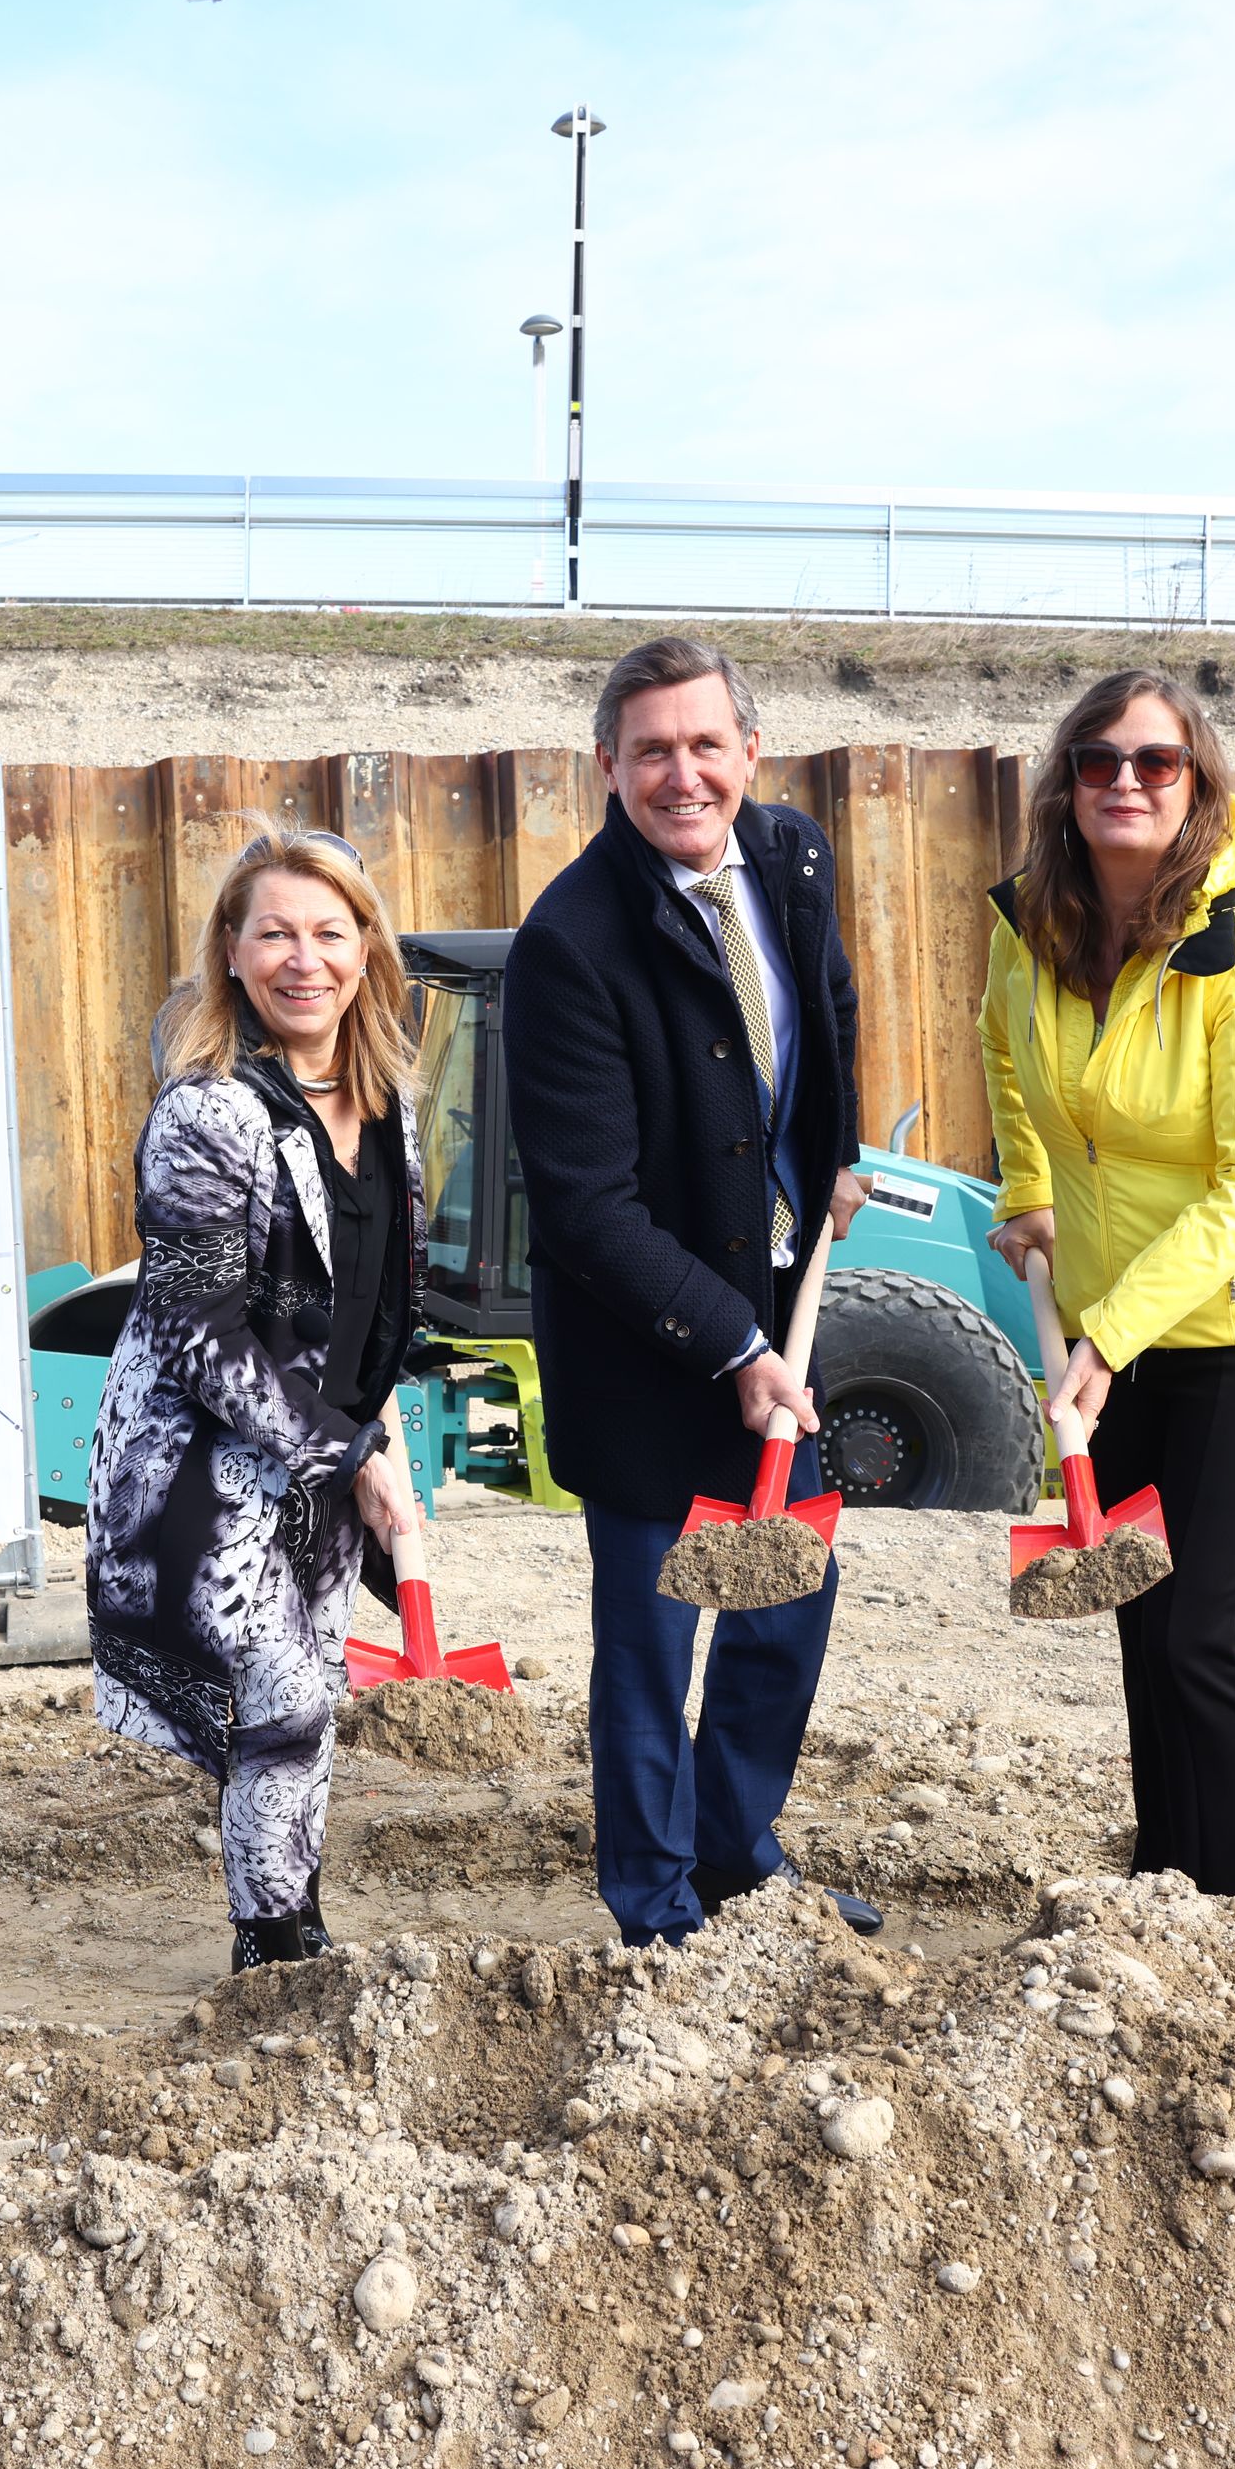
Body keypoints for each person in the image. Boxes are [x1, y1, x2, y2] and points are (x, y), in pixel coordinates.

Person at [505, 635, 877, 1950]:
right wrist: (729, 1345)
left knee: (790, 1597)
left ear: (748, 753)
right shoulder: (571, 942)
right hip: (650, 1341)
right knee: (656, 1653)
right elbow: (588, 1206)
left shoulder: (789, 857)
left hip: (786, 1304)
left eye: (705, 744)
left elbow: (825, 1001)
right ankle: (655, 1910)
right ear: (607, 763)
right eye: (651, 749)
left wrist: (834, 1152)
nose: (682, 772)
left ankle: (736, 1852)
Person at [978, 667, 1235, 1914]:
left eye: (1155, 761)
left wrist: (1114, 1333)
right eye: (1096, 759)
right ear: (1064, 784)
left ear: (1198, 784)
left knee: (1198, 1631)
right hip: (1109, 1316)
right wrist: (1026, 1182)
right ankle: (1164, 1878)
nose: (1123, 781)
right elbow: (998, 1046)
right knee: (1140, 1617)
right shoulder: (1033, 919)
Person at [83, 826, 424, 1971]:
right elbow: (196, 1332)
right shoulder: (210, 1112)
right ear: (229, 951)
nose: (302, 957)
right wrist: (350, 1448)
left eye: (330, 932)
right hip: (204, 1470)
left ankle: (297, 1924)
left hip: (319, 1460)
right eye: (272, 931)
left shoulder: (386, 1109)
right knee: (278, 1700)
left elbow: (375, 1301)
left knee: (309, 1701)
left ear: (366, 949)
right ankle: (271, 1950)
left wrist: (379, 1437)